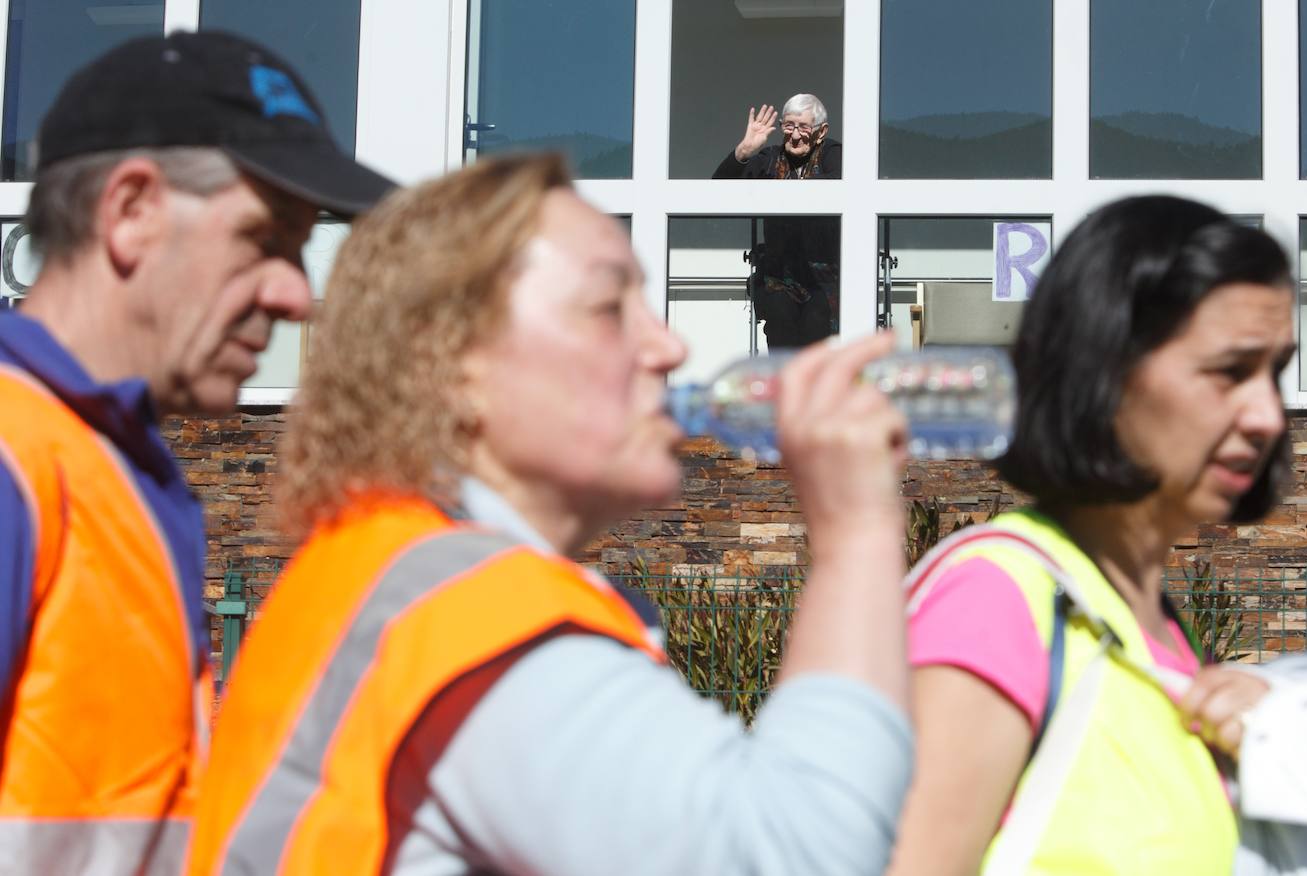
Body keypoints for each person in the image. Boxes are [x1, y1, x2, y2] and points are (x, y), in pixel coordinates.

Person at [188, 154, 915, 875]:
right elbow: (805, 854)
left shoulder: (380, 571)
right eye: (609, 308)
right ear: (457, 367)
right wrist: (857, 532)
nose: (669, 346)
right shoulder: (473, 621)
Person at [0, 32, 392, 873]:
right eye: (266, 240)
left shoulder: (108, 464)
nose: (297, 296)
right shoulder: (15, 459)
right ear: (132, 211)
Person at [889, 195, 1295, 875]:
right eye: (1230, 371)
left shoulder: (1150, 622)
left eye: (1274, 374)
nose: (1267, 416)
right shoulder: (996, 600)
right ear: (1106, 370)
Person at [714, 94, 840, 350]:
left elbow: (842, 180)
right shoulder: (771, 158)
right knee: (780, 324)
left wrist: (792, 189)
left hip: (824, 275)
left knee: (817, 329)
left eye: (804, 127)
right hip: (780, 275)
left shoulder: (831, 153)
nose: (795, 135)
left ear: (821, 130)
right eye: (789, 126)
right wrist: (743, 152)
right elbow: (718, 190)